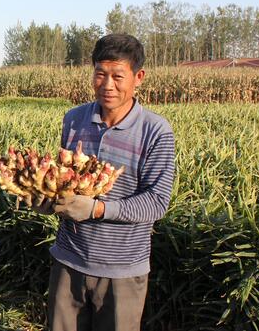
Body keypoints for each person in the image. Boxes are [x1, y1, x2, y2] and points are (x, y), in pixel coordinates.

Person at [34, 34, 175, 331]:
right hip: (68, 261)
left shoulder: (156, 131)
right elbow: (65, 179)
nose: (107, 85)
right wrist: (47, 200)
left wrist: (97, 209)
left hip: (122, 272)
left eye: (117, 76)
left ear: (138, 78)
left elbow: (157, 202)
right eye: (100, 74)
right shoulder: (74, 119)